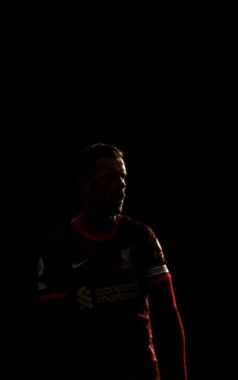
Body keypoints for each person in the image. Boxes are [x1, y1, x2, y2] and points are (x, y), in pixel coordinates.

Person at [35, 142, 187, 380]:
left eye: (123, 177)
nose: (121, 185)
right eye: (110, 177)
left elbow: (168, 314)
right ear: (85, 184)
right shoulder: (58, 247)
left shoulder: (142, 237)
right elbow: (53, 331)